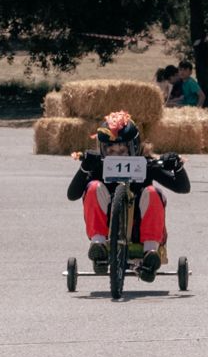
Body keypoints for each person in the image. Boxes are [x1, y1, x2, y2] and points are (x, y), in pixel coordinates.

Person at [66, 112, 191, 282]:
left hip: (140, 228)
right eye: (111, 150)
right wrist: (85, 168)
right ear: (102, 150)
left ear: (134, 148)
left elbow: (182, 188)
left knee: (154, 193)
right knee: (94, 187)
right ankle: (99, 246)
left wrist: (176, 166)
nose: (117, 156)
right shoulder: (98, 166)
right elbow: (72, 194)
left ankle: (150, 253)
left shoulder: (144, 164)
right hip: (108, 226)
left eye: (122, 150)